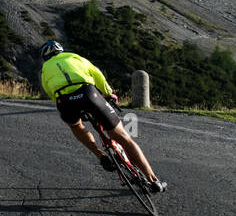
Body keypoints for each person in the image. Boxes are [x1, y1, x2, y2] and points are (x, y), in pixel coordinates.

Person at [38, 41, 168, 193]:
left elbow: (50, 91)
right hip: (88, 93)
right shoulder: (74, 57)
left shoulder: (45, 69)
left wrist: (68, 105)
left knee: (76, 125)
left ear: (45, 57)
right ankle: (153, 180)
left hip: (64, 101)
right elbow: (96, 73)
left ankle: (100, 155)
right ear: (61, 50)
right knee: (124, 137)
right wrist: (108, 93)